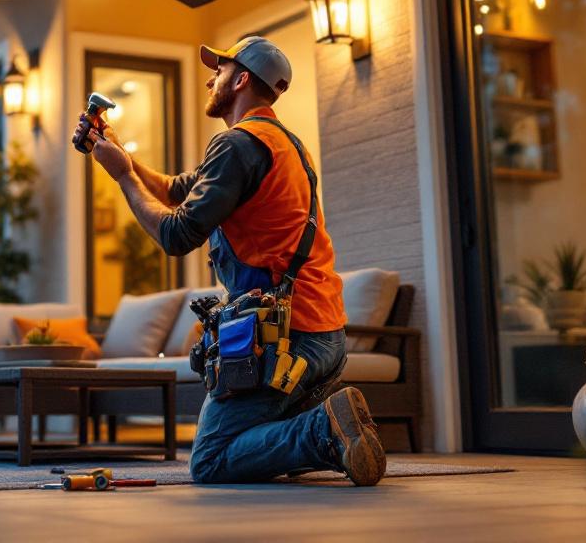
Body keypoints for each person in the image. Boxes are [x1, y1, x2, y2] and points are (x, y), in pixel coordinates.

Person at [74, 36, 386, 486]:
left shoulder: (237, 146)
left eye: (218, 71)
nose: (210, 80)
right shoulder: (282, 143)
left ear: (240, 80)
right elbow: (175, 190)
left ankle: (322, 429)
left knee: (211, 460)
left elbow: (176, 234)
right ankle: (332, 429)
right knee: (248, 444)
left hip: (287, 342)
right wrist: (121, 152)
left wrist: (121, 176)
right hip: (325, 335)